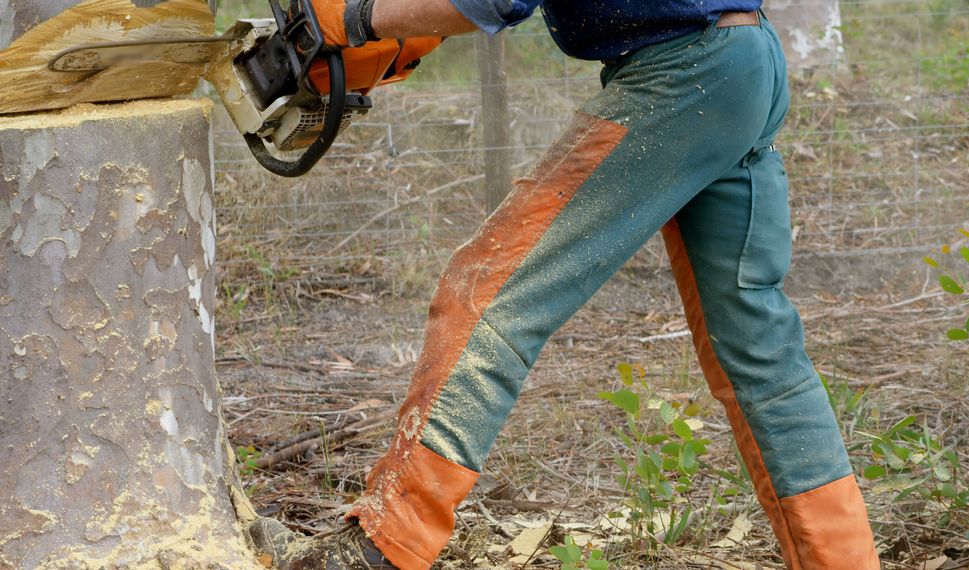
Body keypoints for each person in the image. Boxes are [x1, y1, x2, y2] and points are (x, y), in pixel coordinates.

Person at [247, 1, 881, 568]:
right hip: (746, 60)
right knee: (758, 347)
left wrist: (355, 20)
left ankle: (382, 547)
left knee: (487, 291)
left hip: (684, 72)